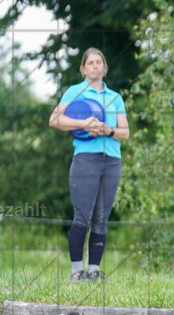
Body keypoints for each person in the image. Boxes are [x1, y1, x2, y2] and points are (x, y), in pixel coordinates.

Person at [49, 47, 129, 283]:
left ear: (104, 68)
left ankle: (93, 271)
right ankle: (76, 272)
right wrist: (83, 124)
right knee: (82, 216)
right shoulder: (75, 92)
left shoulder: (115, 97)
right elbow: (54, 119)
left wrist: (108, 130)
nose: (95, 66)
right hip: (85, 160)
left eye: (99, 62)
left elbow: (125, 133)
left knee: (101, 218)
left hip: (112, 162)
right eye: (90, 63)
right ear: (83, 68)